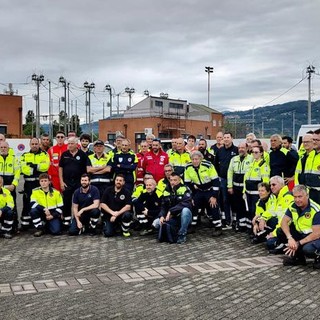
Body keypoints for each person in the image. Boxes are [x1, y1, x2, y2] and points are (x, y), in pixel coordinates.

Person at [279, 185, 320, 268]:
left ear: (307, 196)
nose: (297, 200)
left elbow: (317, 234)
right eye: (295, 197)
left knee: (308, 249)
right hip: (303, 234)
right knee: (280, 232)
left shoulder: (315, 210)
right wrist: (290, 238)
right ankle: (299, 258)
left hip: (316, 237)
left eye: (300, 197)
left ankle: (318, 258)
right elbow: (283, 222)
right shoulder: (293, 206)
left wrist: (298, 243)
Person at [184, 151, 221, 236]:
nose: (194, 161)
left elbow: (215, 181)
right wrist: (192, 196)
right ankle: (193, 225)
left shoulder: (208, 165)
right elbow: (187, 183)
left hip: (210, 189)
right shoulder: (188, 167)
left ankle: (218, 227)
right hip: (199, 190)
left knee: (213, 205)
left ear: (201, 159)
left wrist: (214, 196)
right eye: (192, 159)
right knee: (193, 204)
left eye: (196, 159)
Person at [20, 138, 50, 230]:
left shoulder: (44, 154)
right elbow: (23, 169)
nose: (34, 145)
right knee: (27, 202)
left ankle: (40, 223)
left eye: (36, 144)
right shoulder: (25, 155)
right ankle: (25, 224)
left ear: (39, 144)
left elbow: (45, 167)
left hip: (40, 184)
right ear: (30, 145)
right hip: (28, 184)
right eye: (32, 144)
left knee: (40, 203)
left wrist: (33, 166)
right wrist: (37, 167)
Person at [59, 137, 88, 228]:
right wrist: (61, 181)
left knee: (80, 202)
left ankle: (79, 220)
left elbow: (86, 170)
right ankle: (66, 221)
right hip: (67, 182)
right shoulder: (64, 154)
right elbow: (60, 168)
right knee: (66, 202)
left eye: (72, 143)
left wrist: (84, 182)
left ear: (76, 144)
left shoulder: (82, 155)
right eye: (69, 144)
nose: (70, 145)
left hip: (78, 183)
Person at [159, 173, 192, 244]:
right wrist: (161, 215)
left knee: (185, 210)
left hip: (183, 216)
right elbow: (163, 206)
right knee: (156, 224)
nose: (173, 182)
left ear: (179, 180)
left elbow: (187, 203)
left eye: (175, 180)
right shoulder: (166, 190)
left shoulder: (185, 189)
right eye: (171, 180)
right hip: (171, 217)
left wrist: (171, 211)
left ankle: (182, 234)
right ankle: (172, 232)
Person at [214, 132, 238, 228]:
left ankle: (236, 219)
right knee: (225, 200)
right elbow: (215, 165)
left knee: (234, 200)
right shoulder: (220, 151)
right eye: (225, 137)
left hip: (234, 180)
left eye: (228, 137)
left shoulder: (236, 150)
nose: (226, 139)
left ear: (232, 138)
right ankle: (227, 220)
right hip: (223, 179)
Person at [243, 145, 270, 232]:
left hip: (256, 194)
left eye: (256, 152)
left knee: (256, 212)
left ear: (261, 153)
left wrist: (263, 193)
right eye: (252, 152)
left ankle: (256, 230)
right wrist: (244, 191)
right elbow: (245, 178)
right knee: (250, 211)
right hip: (248, 192)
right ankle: (251, 228)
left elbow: (265, 181)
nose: (254, 154)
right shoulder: (251, 164)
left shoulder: (263, 165)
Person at [265, 176, 294, 253]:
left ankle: (284, 244)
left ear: (281, 184)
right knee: (269, 221)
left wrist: (274, 233)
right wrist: (262, 218)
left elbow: (285, 220)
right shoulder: (277, 196)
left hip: (289, 228)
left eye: (274, 185)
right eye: (270, 185)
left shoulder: (287, 197)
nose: (271, 187)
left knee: (270, 243)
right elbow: (272, 211)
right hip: (281, 227)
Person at [227, 142, 252, 231]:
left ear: (247, 148)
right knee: (238, 206)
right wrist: (230, 186)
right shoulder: (234, 159)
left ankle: (249, 226)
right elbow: (230, 173)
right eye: (239, 148)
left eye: (243, 147)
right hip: (236, 187)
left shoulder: (251, 158)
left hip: (246, 188)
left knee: (247, 206)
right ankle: (241, 225)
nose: (241, 149)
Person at [0, 141, 20, 232]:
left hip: (10, 187)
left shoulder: (13, 159)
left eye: (5, 147)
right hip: (0, 187)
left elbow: (17, 173)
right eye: (1, 147)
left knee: (12, 207)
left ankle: (14, 226)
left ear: (8, 148)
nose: (3, 149)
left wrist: (14, 184)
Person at [302, 128, 320, 204]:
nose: (314, 142)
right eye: (313, 139)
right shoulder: (310, 155)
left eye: (317, 140)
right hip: (310, 193)